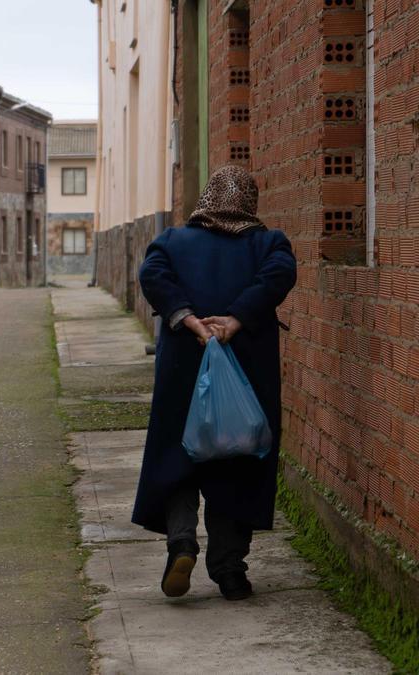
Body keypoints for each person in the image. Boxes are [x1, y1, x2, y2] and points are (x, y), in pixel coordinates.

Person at [134, 165, 297, 601]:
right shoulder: (269, 244)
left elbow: (152, 275)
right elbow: (279, 275)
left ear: (206, 200)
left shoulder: (172, 241)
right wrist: (236, 319)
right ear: (251, 204)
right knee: (238, 459)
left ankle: (182, 542)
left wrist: (188, 320)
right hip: (246, 375)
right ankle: (230, 570)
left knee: (180, 454)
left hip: (183, 368)